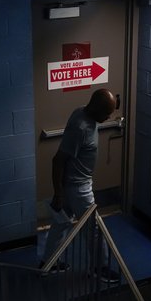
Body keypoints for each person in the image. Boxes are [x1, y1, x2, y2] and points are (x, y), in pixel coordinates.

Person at [40, 88, 120, 283]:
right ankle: (98, 268)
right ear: (96, 108)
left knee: (62, 222)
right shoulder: (81, 127)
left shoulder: (82, 112)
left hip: (74, 183)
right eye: (106, 113)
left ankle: (48, 263)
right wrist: (58, 194)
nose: (109, 116)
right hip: (78, 188)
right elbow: (58, 160)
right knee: (94, 228)